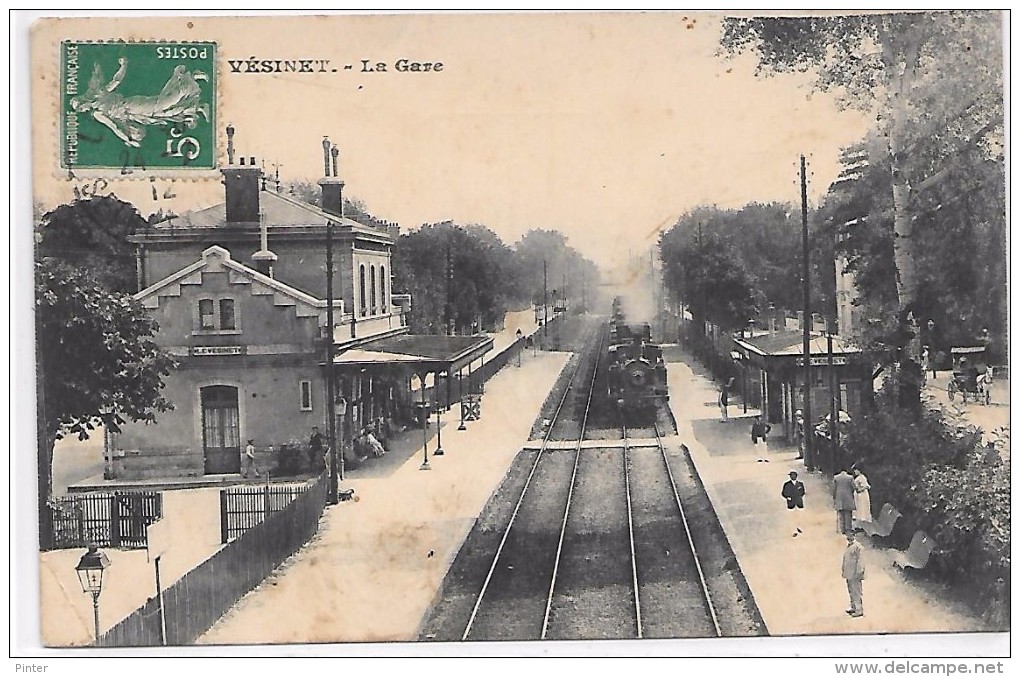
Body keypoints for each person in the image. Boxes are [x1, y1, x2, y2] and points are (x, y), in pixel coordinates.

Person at [842, 530, 866, 618]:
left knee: (857, 591)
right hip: (849, 573)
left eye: (850, 535)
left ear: (854, 535)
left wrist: (859, 572)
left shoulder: (858, 547)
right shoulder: (849, 546)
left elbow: (861, 561)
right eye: (847, 535)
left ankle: (859, 610)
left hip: (855, 573)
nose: (848, 537)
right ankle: (853, 607)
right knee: (851, 591)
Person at [781, 470, 806, 537]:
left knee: (800, 516)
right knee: (791, 517)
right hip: (791, 503)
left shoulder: (800, 484)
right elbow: (783, 493)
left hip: (799, 503)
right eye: (791, 476)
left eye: (794, 475)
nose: (792, 477)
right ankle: (793, 531)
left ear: (796, 476)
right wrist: (787, 497)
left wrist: (800, 497)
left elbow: (803, 492)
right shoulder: (787, 484)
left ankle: (799, 527)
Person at [833, 467, 855, 534]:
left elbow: (834, 489)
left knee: (841, 514)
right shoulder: (850, 477)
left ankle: (842, 529)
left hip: (839, 497)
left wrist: (834, 497)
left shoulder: (836, 477)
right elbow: (853, 487)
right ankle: (848, 528)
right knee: (848, 514)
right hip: (848, 497)